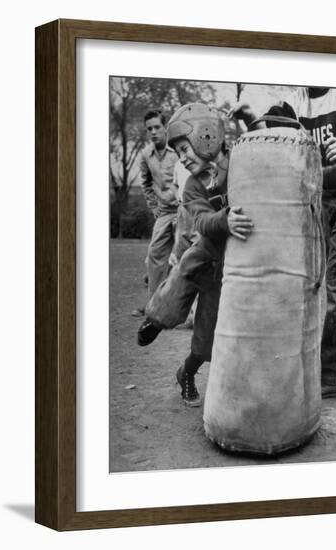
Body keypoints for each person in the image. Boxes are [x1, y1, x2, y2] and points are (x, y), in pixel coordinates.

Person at [230, 87, 336, 398]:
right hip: (316, 197)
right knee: (320, 284)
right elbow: (277, 147)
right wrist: (252, 118)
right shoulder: (293, 102)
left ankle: (328, 376)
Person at [138, 103, 254, 406]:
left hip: (225, 270)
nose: (183, 158)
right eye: (177, 152)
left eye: (185, 148)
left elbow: (266, 158)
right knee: (173, 295)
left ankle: (185, 373)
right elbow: (202, 221)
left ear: (207, 136)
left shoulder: (240, 164)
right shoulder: (191, 186)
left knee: (205, 343)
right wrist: (224, 220)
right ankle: (155, 319)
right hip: (202, 254)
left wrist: (252, 120)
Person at [131, 109, 179, 317]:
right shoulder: (145, 155)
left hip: (184, 210)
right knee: (154, 255)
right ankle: (154, 306)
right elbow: (146, 183)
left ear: (165, 127)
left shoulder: (178, 149)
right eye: (149, 128)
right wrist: (154, 207)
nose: (153, 132)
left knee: (184, 256)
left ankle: (186, 309)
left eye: (157, 127)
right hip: (164, 212)